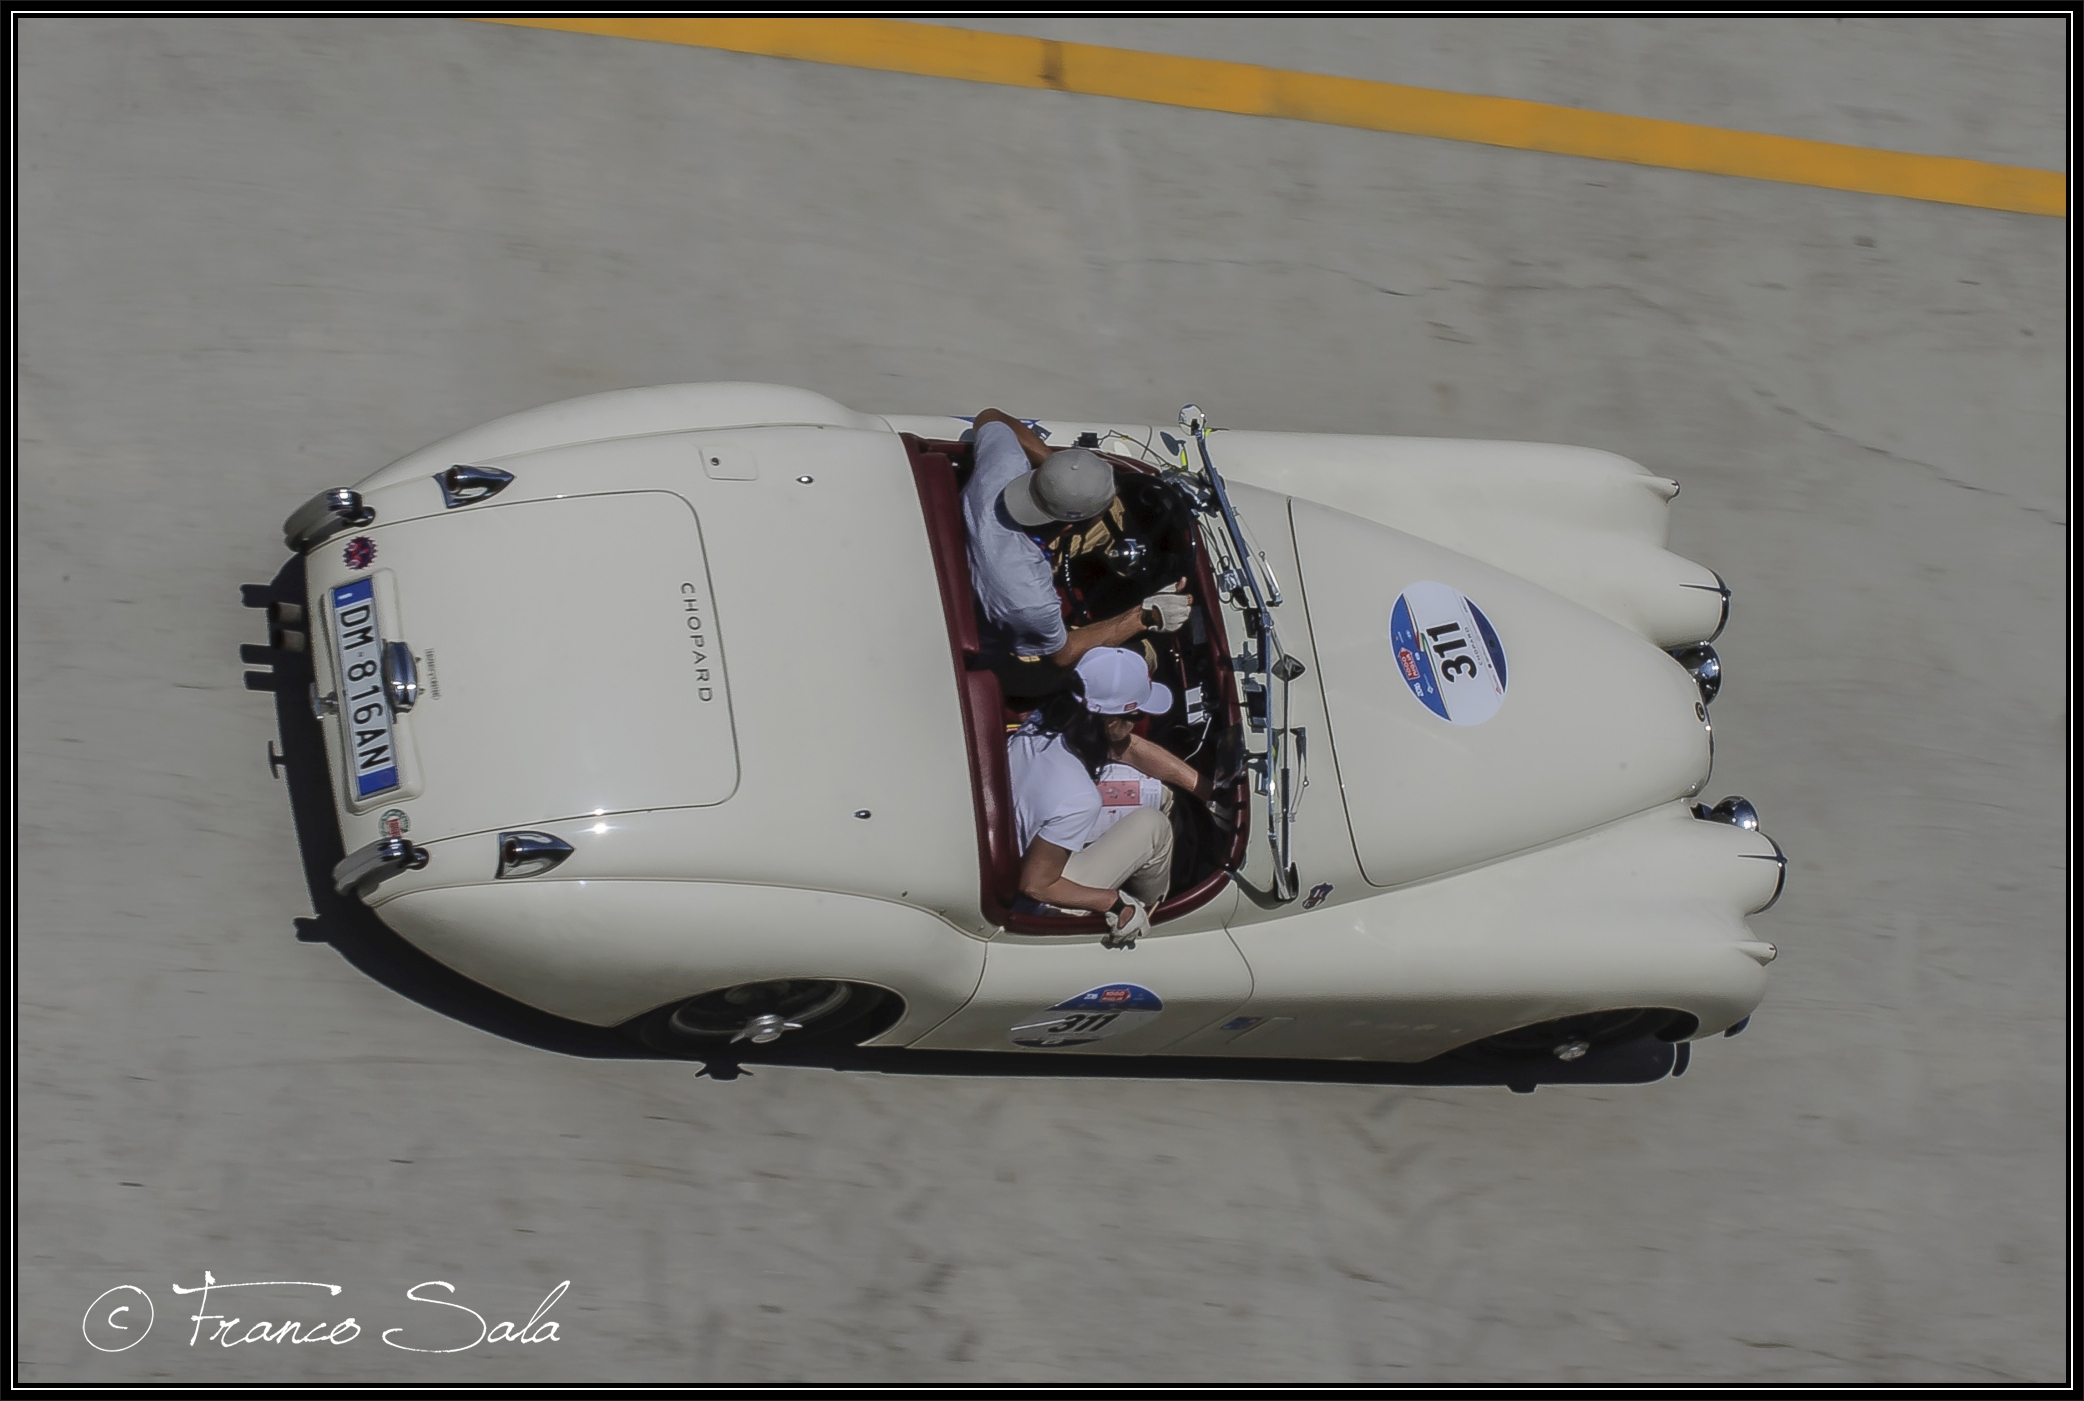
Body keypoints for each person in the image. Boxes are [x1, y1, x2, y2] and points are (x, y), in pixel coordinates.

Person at [1008, 647, 1210, 948]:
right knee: (1155, 827)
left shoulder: (1048, 718)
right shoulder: (1077, 797)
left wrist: (1204, 789)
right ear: (1111, 723)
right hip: (1036, 895)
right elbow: (1036, 884)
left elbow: (1126, 747)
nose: (1138, 720)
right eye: (1137, 714)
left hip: (1019, 832)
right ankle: (1150, 915)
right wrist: (1114, 903)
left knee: (1165, 797)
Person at [961, 408, 1193, 669]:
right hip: (999, 647)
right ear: (1072, 526)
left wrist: (1060, 475)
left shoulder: (999, 471)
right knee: (1147, 655)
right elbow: (1063, 654)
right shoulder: (1031, 601)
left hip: (982, 551)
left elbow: (990, 416)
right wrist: (1143, 617)